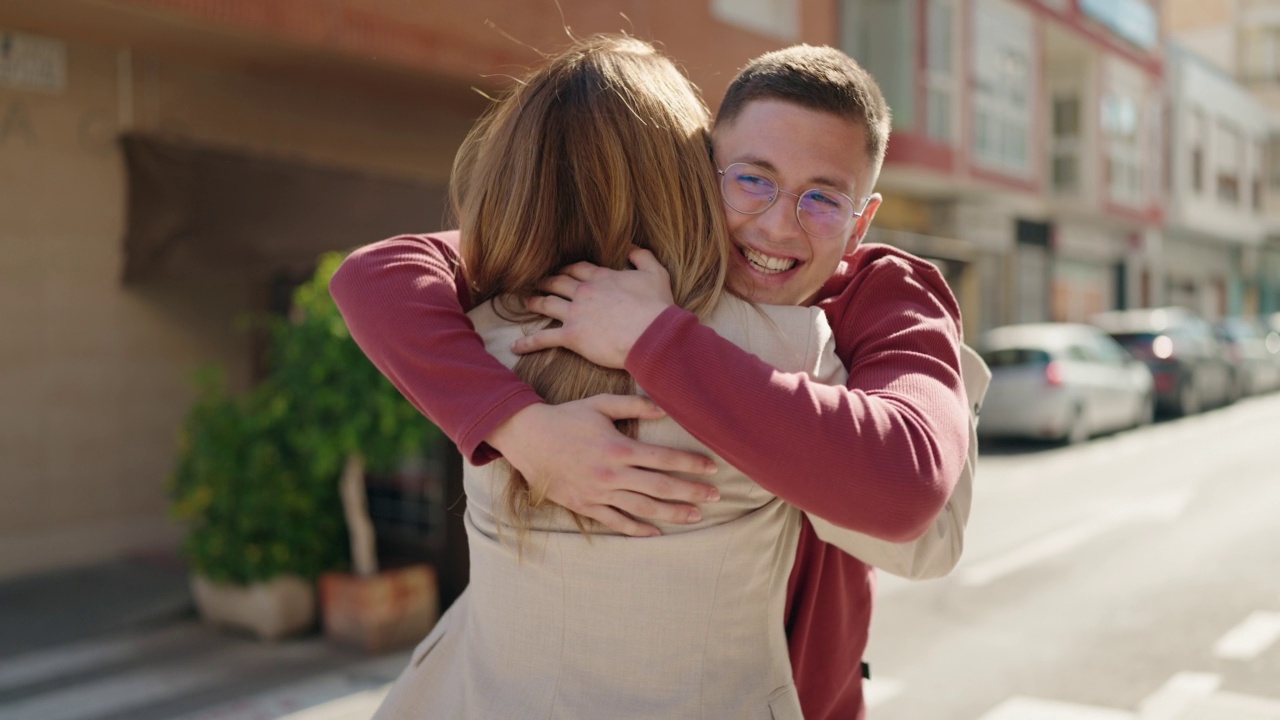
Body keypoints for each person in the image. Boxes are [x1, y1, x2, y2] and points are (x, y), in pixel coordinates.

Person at [332, 42, 975, 719]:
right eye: (752, 180)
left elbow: (910, 490)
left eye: (823, 200)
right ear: (699, 173)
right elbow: (378, 273)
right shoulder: (584, 281)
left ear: (861, 221)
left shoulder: (879, 297)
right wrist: (522, 427)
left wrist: (654, 341)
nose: (778, 223)